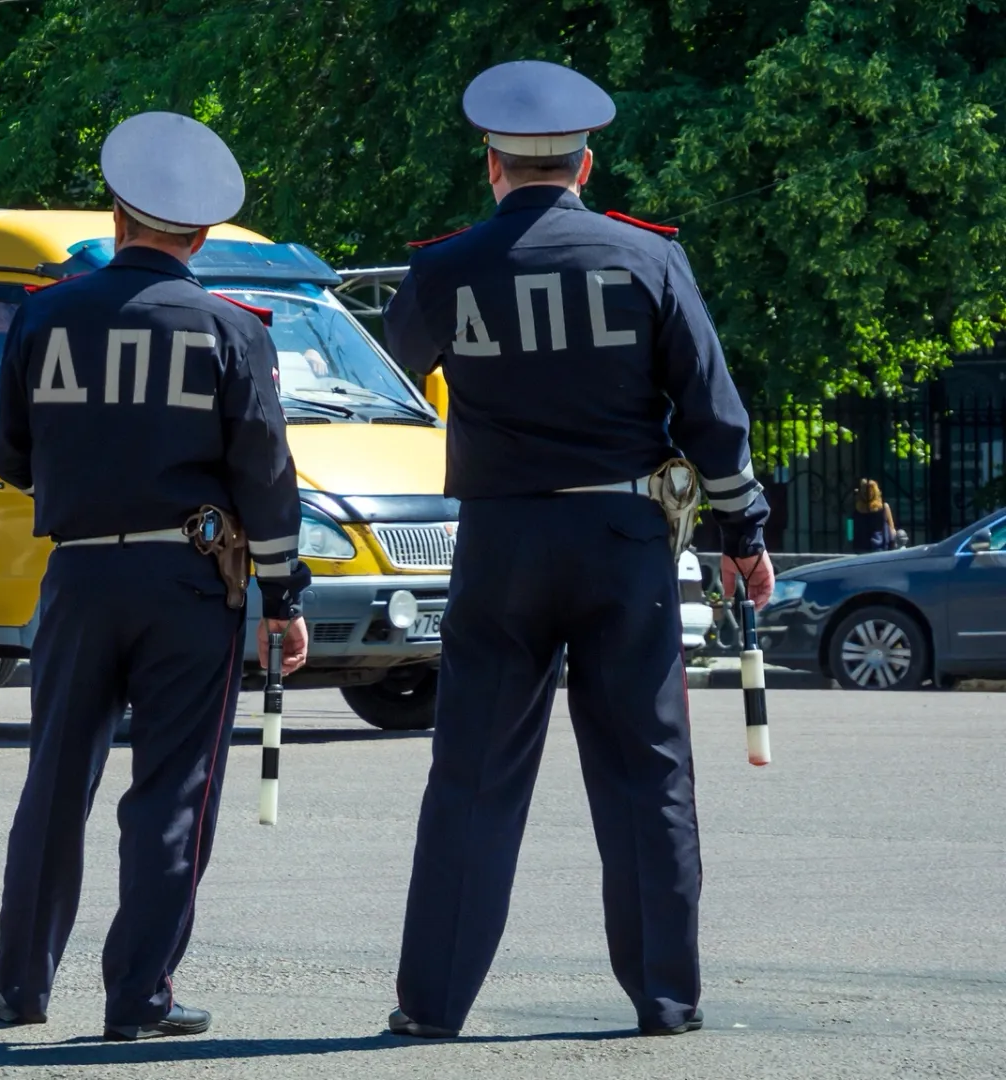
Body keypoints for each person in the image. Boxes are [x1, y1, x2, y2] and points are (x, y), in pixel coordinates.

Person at [379, 60, 775, 1039]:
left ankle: (431, 1007)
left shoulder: (445, 269)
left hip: (503, 541)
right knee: (648, 772)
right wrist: (743, 531)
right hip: (622, 539)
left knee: (471, 776)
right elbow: (712, 412)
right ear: (586, 164)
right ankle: (666, 997)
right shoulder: (649, 261)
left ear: (492, 165)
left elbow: (387, 372)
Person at [0, 111, 312, 1042]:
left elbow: (6, 454)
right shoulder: (231, 330)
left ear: (115, 216)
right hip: (190, 583)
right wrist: (282, 598)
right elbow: (267, 479)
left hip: (79, 578)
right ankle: (139, 997)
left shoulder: (44, 315)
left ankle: (22, 986)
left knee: (55, 782)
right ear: (200, 236)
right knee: (173, 791)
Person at [851, 479, 898, 552]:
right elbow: (892, 531)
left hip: (859, 547)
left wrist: (850, 541)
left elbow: (849, 529)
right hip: (879, 547)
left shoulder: (856, 508)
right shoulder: (883, 507)